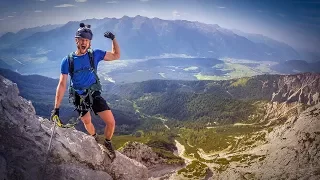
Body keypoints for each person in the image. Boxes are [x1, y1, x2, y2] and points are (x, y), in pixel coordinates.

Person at [50, 23, 120, 160]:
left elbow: (116, 55)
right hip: (79, 96)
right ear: (76, 40)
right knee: (87, 121)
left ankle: (107, 143)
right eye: (81, 40)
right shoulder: (68, 61)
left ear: (89, 42)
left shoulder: (95, 55)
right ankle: (94, 138)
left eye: (86, 40)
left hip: (93, 93)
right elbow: (62, 84)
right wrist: (56, 108)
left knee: (111, 122)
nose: (84, 42)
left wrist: (114, 39)